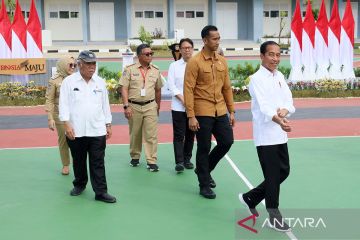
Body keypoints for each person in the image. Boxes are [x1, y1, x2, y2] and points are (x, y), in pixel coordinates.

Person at [239, 41, 295, 232]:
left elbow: (289, 100)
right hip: (265, 135)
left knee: (284, 172)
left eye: (278, 55)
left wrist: (285, 110)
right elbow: (263, 107)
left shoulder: (279, 76)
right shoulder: (255, 79)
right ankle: (274, 215)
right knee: (272, 176)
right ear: (262, 56)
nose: (275, 59)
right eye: (271, 54)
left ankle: (251, 197)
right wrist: (279, 120)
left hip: (280, 133)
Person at [184, 25, 235, 199]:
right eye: (214, 38)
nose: (217, 41)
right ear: (205, 40)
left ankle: (204, 169)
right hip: (202, 111)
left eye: (218, 38)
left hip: (220, 110)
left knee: (227, 141)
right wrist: (191, 115)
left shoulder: (222, 61)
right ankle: (204, 185)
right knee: (204, 147)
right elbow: (188, 89)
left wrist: (232, 111)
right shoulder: (195, 61)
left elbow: (227, 87)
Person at [59, 50, 116, 203]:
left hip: (97, 129)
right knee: (78, 160)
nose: (92, 67)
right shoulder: (69, 82)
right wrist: (66, 125)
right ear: (80, 64)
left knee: (98, 161)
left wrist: (108, 124)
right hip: (75, 129)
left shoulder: (100, 82)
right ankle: (79, 184)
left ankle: (101, 192)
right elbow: (63, 105)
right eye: (89, 64)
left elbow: (106, 105)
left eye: (94, 64)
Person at [120, 44, 164, 172]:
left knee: (151, 135)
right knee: (135, 133)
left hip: (150, 106)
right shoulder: (129, 69)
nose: (150, 56)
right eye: (147, 54)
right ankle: (135, 156)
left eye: (151, 53)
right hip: (134, 106)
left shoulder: (156, 70)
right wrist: (126, 106)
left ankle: (151, 161)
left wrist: (158, 107)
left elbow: (158, 90)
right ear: (139, 56)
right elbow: (124, 88)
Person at [167, 38, 195, 173]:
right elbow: (171, 86)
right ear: (180, 50)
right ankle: (179, 162)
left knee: (191, 134)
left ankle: (187, 159)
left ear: (193, 49)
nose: (187, 50)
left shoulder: (197, 64)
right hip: (178, 106)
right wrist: (183, 99)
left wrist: (191, 101)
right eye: (184, 48)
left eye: (189, 47)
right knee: (179, 135)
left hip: (195, 106)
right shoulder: (174, 66)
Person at [45, 56, 76, 175]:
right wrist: (50, 118)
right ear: (63, 65)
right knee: (64, 140)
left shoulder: (76, 79)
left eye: (74, 65)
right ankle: (66, 164)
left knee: (78, 139)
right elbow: (49, 100)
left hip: (75, 114)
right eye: (70, 65)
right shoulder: (54, 80)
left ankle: (78, 162)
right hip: (60, 116)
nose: (73, 67)